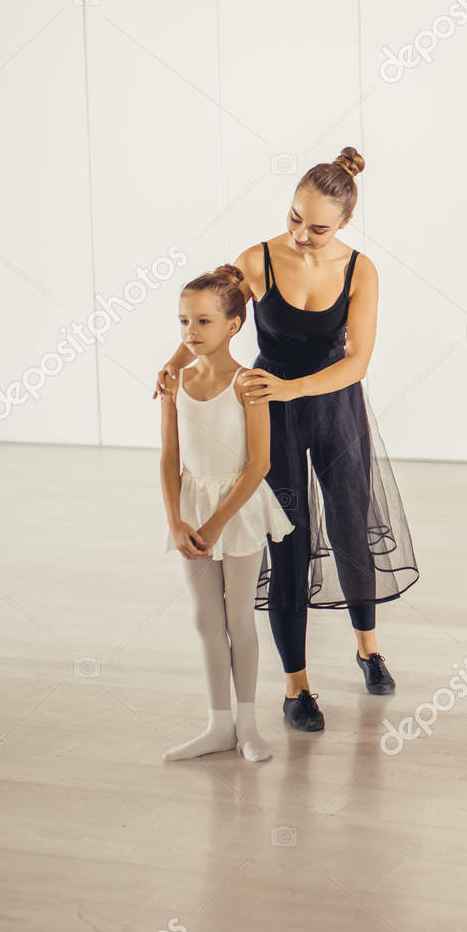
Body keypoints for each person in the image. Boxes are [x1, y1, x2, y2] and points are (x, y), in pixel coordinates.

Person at [155, 147, 418, 733]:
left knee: (350, 527)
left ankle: (368, 647)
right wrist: (172, 364)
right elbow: (211, 310)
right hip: (269, 411)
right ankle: (297, 687)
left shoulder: (361, 270)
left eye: (317, 227)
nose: (300, 234)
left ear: (345, 223)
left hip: (332, 406)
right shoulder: (258, 259)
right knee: (287, 541)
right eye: (294, 217)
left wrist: (293, 390)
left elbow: (357, 363)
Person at [159, 267, 292, 762]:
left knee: (239, 617)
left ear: (234, 325)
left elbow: (260, 463)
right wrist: (177, 520)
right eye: (184, 321)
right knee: (204, 618)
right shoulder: (176, 382)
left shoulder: (248, 383)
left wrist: (215, 524)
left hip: (237, 511)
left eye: (203, 321)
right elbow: (170, 458)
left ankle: (249, 726)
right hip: (192, 511)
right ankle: (218, 725)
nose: (190, 332)